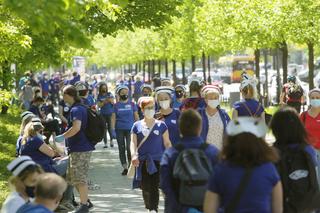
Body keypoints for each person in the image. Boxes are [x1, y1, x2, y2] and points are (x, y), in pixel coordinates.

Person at [203, 117, 283, 213]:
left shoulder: (221, 171)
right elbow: (278, 209)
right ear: (260, 142)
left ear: (231, 141)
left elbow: (209, 209)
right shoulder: (269, 170)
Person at [160, 109, 219, 212]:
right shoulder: (213, 152)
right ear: (200, 128)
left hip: (178, 208)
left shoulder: (170, 154)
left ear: (179, 128)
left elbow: (165, 185)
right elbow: (221, 184)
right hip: (207, 207)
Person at [270, 107, 319, 213]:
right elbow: (315, 179)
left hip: (282, 205)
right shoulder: (308, 150)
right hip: (306, 205)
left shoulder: (271, 153)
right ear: (299, 127)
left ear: (275, 129)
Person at [55, 85, 94, 213]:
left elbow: (76, 128)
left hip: (80, 148)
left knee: (79, 178)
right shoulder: (78, 107)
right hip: (77, 147)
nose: (62, 97)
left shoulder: (76, 109)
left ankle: (84, 206)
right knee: (73, 178)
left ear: (68, 95)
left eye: (63, 95)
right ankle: (86, 201)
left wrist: (62, 137)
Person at [131, 97, 171, 212]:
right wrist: (134, 155)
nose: (150, 110)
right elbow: (133, 142)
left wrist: (172, 156)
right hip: (142, 161)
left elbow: (167, 143)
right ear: (142, 110)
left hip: (158, 160)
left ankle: (154, 208)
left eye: (152, 107)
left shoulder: (161, 125)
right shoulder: (136, 125)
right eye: (147, 108)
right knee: (145, 186)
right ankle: (149, 206)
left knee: (154, 185)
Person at [112, 85, 139, 175]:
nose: (124, 94)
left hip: (130, 130)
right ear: (119, 94)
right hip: (119, 129)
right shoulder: (116, 105)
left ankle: (132, 166)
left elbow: (136, 116)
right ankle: (125, 167)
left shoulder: (132, 104)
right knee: (121, 148)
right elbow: (113, 118)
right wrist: (112, 129)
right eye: (122, 93)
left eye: (126, 92)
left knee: (129, 147)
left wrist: (139, 127)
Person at [199, 85, 230, 150]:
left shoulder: (224, 115)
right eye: (210, 98)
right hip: (205, 153)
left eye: (216, 98)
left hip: (220, 152)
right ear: (205, 99)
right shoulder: (199, 114)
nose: (213, 100)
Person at [97, 82, 115, 148]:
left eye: (105, 88)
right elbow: (99, 105)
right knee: (104, 128)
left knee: (110, 128)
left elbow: (113, 102)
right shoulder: (99, 96)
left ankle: (111, 141)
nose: (104, 89)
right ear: (100, 89)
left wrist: (108, 100)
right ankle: (105, 143)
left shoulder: (109, 94)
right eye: (102, 88)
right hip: (102, 114)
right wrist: (105, 101)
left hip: (110, 113)